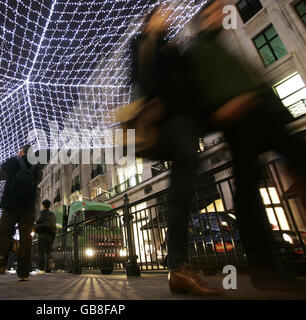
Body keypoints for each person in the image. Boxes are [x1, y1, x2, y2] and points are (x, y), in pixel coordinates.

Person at [184, 0, 306, 292]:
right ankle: (264, 266)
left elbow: (253, 78)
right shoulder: (198, 51)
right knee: (249, 191)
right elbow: (199, 95)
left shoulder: (223, 45)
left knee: (282, 170)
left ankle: (266, 266)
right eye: (215, 11)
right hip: (239, 121)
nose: (223, 13)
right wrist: (221, 110)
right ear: (204, 19)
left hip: (264, 113)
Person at [130, 5, 223, 295]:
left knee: (182, 186)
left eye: (168, 13)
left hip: (184, 121)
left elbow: (188, 82)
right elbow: (141, 79)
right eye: (161, 13)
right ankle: (179, 266)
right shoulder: (144, 44)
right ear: (149, 20)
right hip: (169, 121)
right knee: (181, 187)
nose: (167, 16)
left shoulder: (172, 45)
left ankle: (179, 267)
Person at [0, 144, 42, 281]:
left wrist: (18, 158)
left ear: (22, 151)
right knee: (26, 238)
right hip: (28, 206)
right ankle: (23, 273)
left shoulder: (15, 161)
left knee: (5, 233)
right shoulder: (36, 165)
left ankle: (0, 258)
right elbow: (38, 180)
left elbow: (3, 167)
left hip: (10, 204)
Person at [35, 199, 57, 273]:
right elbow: (54, 226)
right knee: (49, 252)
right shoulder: (52, 214)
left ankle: (42, 268)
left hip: (42, 234)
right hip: (50, 234)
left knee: (41, 252)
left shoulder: (41, 213)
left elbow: (38, 223)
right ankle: (48, 268)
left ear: (43, 206)